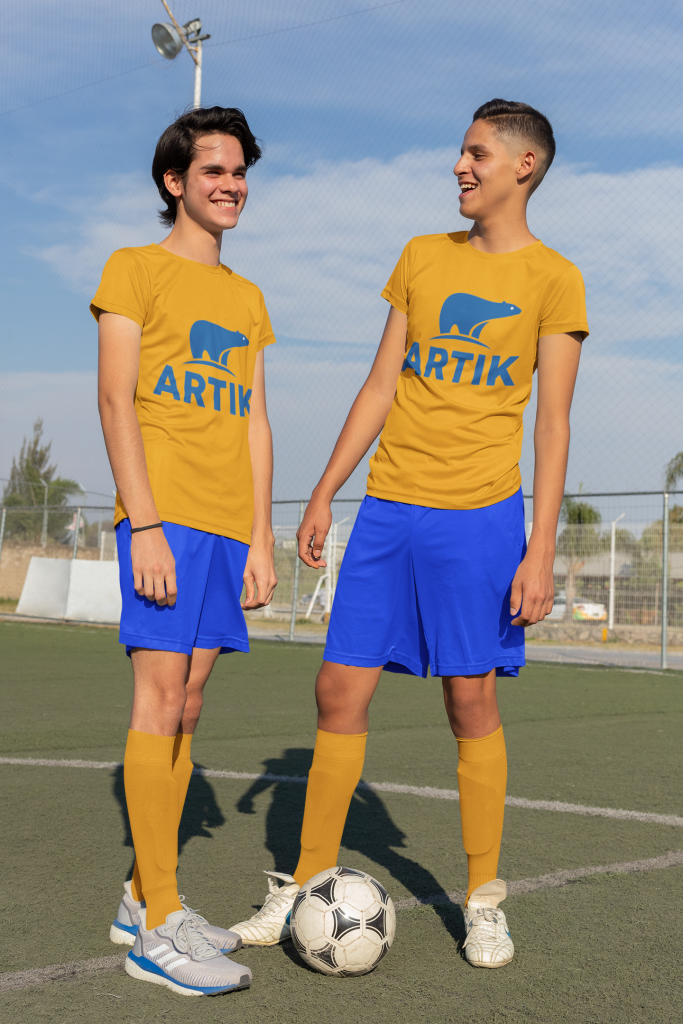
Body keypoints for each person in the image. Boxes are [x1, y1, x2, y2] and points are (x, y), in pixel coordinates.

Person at [229, 99, 588, 969]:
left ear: (523, 166)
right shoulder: (422, 258)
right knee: (337, 693)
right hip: (388, 511)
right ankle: (304, 885)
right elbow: (380, 383)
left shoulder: (555, 279)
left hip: (482, 521)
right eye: (459, 154)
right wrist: (322, 492)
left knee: (469, 700)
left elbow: (552, 427)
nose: (459, 168)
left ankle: (484, 898)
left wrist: (539, 549)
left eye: (475, 155)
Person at [93, 106, 278, 996]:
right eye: (214, 170)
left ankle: (144, 895)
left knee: (191, 701)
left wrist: (260, 534)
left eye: (239, 170)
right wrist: (147, 521)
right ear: (176, 180)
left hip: (225, 526)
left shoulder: (246, 298)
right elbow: (115, 402)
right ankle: (154, 931)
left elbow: (253, 417)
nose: (231, 183)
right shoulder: (134, 270)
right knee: (158, 696)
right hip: (162, 519)